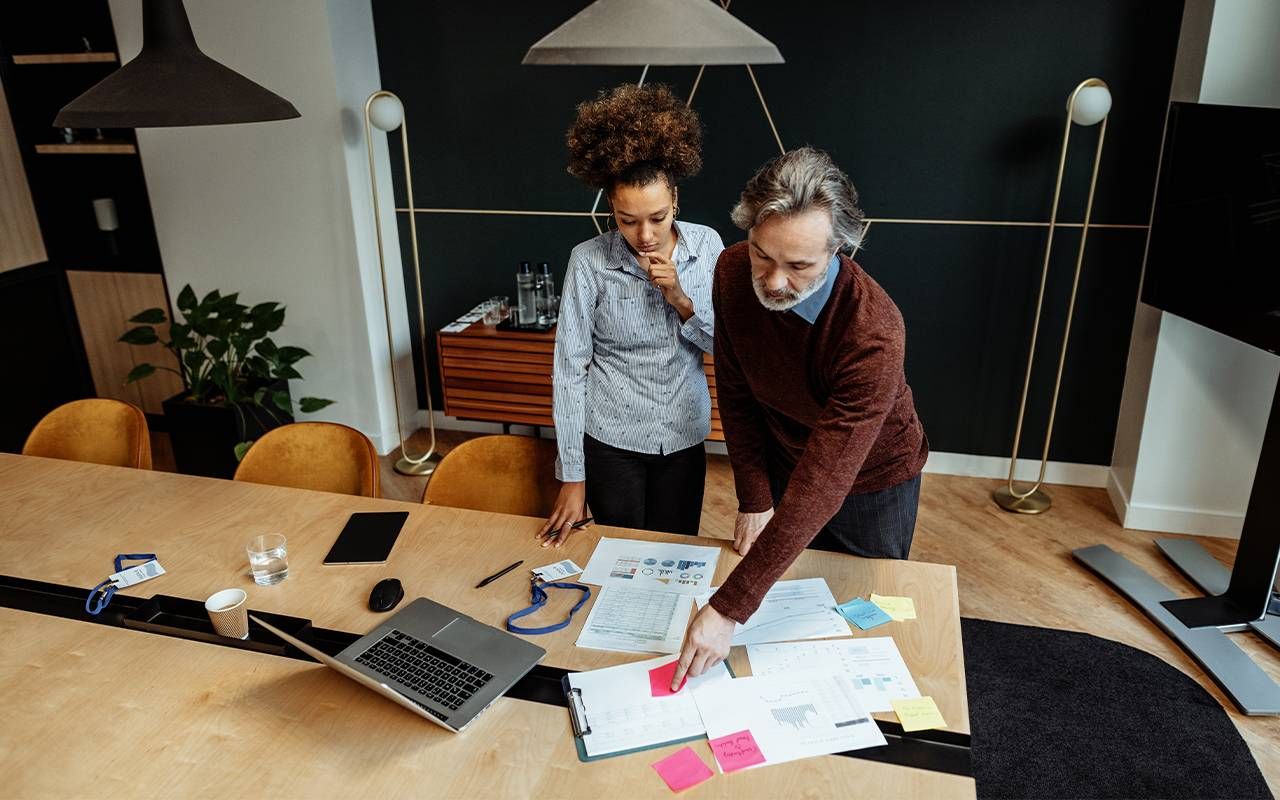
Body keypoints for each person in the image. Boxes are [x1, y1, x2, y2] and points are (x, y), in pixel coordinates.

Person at [671, 147, 928, 688]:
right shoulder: (733, 270)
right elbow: (737, 392)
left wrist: (728, 609)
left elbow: (827, 479)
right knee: (790, 597)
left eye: (800, 265)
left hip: (872, 478)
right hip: (789, 451)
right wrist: (755, 497)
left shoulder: (873, 331)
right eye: (765, 255)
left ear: (838, 249)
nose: (775, 281)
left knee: (857, 618)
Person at [536, 84, 724, 547]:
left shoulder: (709, 248)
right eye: (626, 219)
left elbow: (728, 348)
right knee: (620, 555)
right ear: (611, 210)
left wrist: (682, 301)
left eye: (657, 218)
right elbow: (569, 370)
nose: (644, 234)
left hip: (683, 435)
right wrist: (573, 475)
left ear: (675, 200)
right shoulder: (589, 261)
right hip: (611, 439)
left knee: (677, 555)